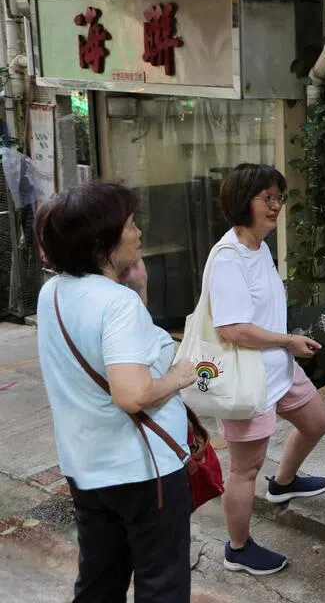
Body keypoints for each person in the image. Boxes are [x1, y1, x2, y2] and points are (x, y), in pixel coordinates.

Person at [35, 181, 198, 602]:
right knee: (162, 585)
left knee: (100, 581)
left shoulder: (53, 292)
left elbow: (114, 349)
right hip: (144, 473)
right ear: (101, 241)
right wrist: (180, 376)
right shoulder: (115, 304)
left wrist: (136, 289)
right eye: (129, 225)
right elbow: (132, 394)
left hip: (87, 467)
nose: (139, 232)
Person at [209, 163, 325, 576]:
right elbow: (232, 328)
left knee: (317, 421)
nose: (276, 205)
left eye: (279, 197)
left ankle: (283, 483)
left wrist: (288, 339)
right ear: (243, 203)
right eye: (268, 198)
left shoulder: (258, 246)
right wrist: (287, 341)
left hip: (278, 367)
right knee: (245, 468)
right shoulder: (228, 258)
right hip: (248, 380)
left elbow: (260, 311)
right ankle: (238, 548)